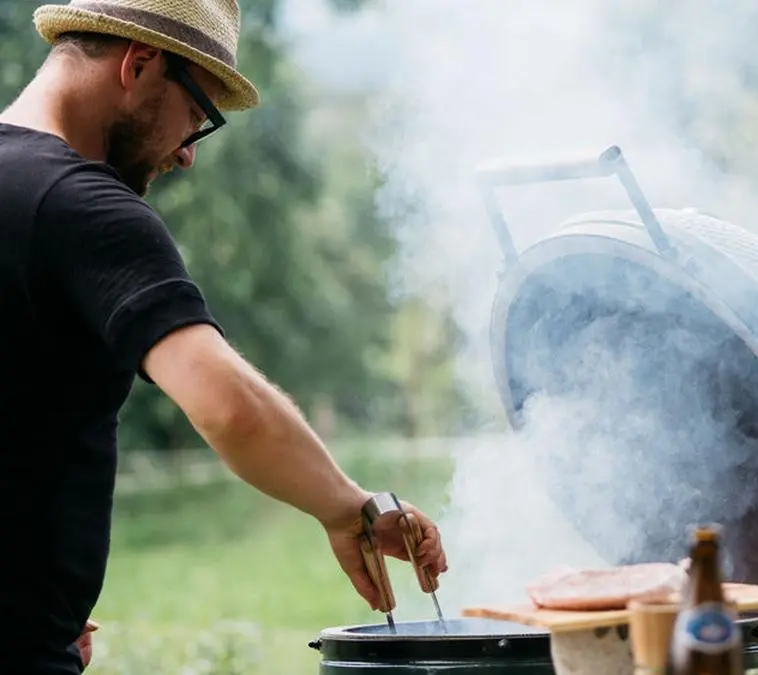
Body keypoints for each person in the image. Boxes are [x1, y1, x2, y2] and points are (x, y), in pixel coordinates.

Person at [0, 1, 449, 672]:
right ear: (140, 63)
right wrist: (348, 508)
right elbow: (229, 405)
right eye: (198, 115)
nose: (185, 153)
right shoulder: (86, 208)